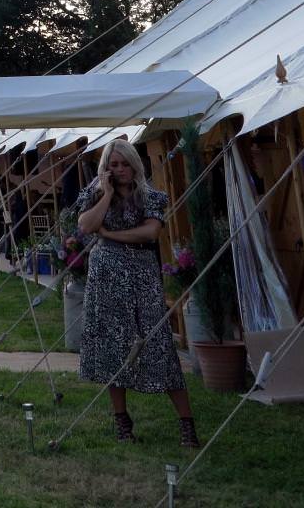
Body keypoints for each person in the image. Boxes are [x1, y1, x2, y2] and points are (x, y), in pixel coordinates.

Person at [72, 136, 198, 447]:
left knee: (158, 345)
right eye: (113, 164)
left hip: (142, 279)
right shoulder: (94, 194)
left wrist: (112, 234)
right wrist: (106, 194)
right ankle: (122, 422)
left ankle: (186, 423)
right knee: (114, 347)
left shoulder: (150, 196)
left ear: (135, 164)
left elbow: (151, 231)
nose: (120, 169)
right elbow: (86, 226)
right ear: (105, 168)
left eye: (125, 163)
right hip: (106, 281)